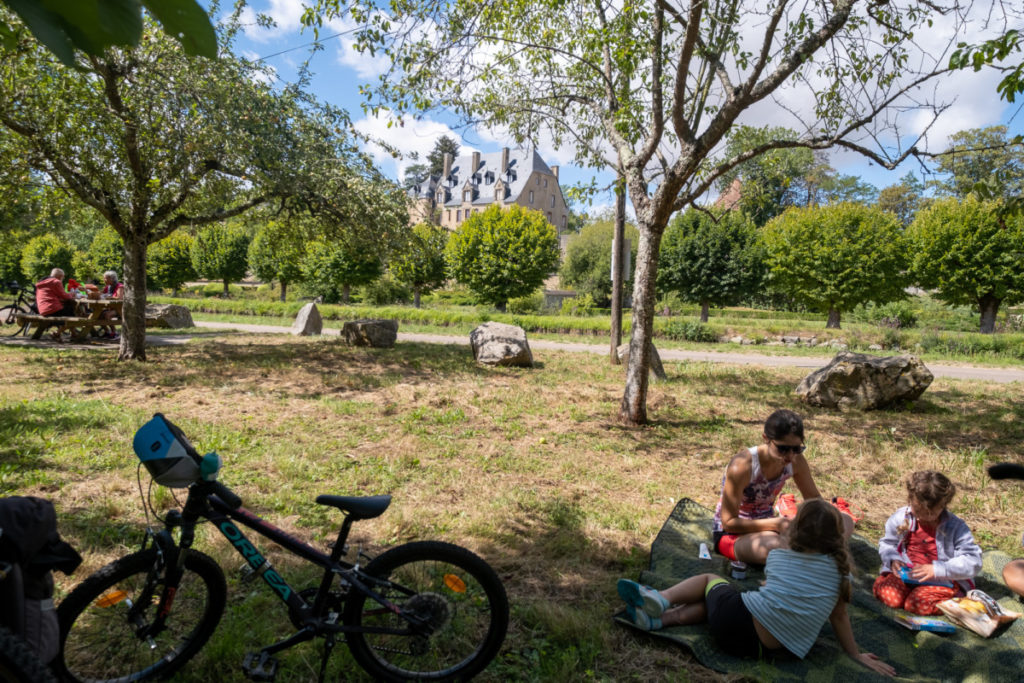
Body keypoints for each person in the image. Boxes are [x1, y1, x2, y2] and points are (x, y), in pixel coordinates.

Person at [617, 499, 894, 677]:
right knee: (714, 604)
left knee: (710, 581)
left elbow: (772, 585)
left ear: (795, 529)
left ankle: (660, 598)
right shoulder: (840, 574)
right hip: (769, 651)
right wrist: (854, 654)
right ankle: (658, 620)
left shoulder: (778, 556)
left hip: (735, 622)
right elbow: (839, 617)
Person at [712, 409, 852, 571]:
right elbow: (728, 523)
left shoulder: (795, 461)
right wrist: (777, 524)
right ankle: (821, 559)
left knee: (844, 521)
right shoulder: (742, 466)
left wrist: (824, 523)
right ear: (766, 439)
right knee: (778, 547)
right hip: (732, 536)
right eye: (783, 449)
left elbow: (814, 500)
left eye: (797, 449)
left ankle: (816, 557)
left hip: (773, 527)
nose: (790, 456)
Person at [873, 471, 981, 616]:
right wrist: (893, 560)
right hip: (906, 577)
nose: (923, 516)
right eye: (917, 510)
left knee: (916, 604)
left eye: (931, 513)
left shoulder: (956, 527)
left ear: (943, 505)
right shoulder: (900, 518)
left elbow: (973, 561)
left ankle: (951, 600)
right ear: (910, 500)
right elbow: (888, 544)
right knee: (891, 597)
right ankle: (908, 593)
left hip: (940, 582)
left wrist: (937, 569)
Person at [34, 268, 77, 340]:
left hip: (42, 309)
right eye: (63, 276)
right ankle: (57, 333)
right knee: (72, 314)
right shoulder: (56, 282)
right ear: (60, 276)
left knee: (69, 311)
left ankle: (73, 334)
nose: (63, 278)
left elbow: (51, 295)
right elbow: (65, 296)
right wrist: (72, 294)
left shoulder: (42, 282)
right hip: (52, 309)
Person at [98, 270, 123, 339]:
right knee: (98, 315)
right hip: (109, 308)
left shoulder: (120, 286)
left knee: (107, 315)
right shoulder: (108, 287)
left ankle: (114, 332)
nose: (104, 280)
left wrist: (109, 297)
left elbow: (120, 298)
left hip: (119, 309)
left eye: (105, 278)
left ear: (111, 278)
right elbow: (100, 294)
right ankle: (107, 332)